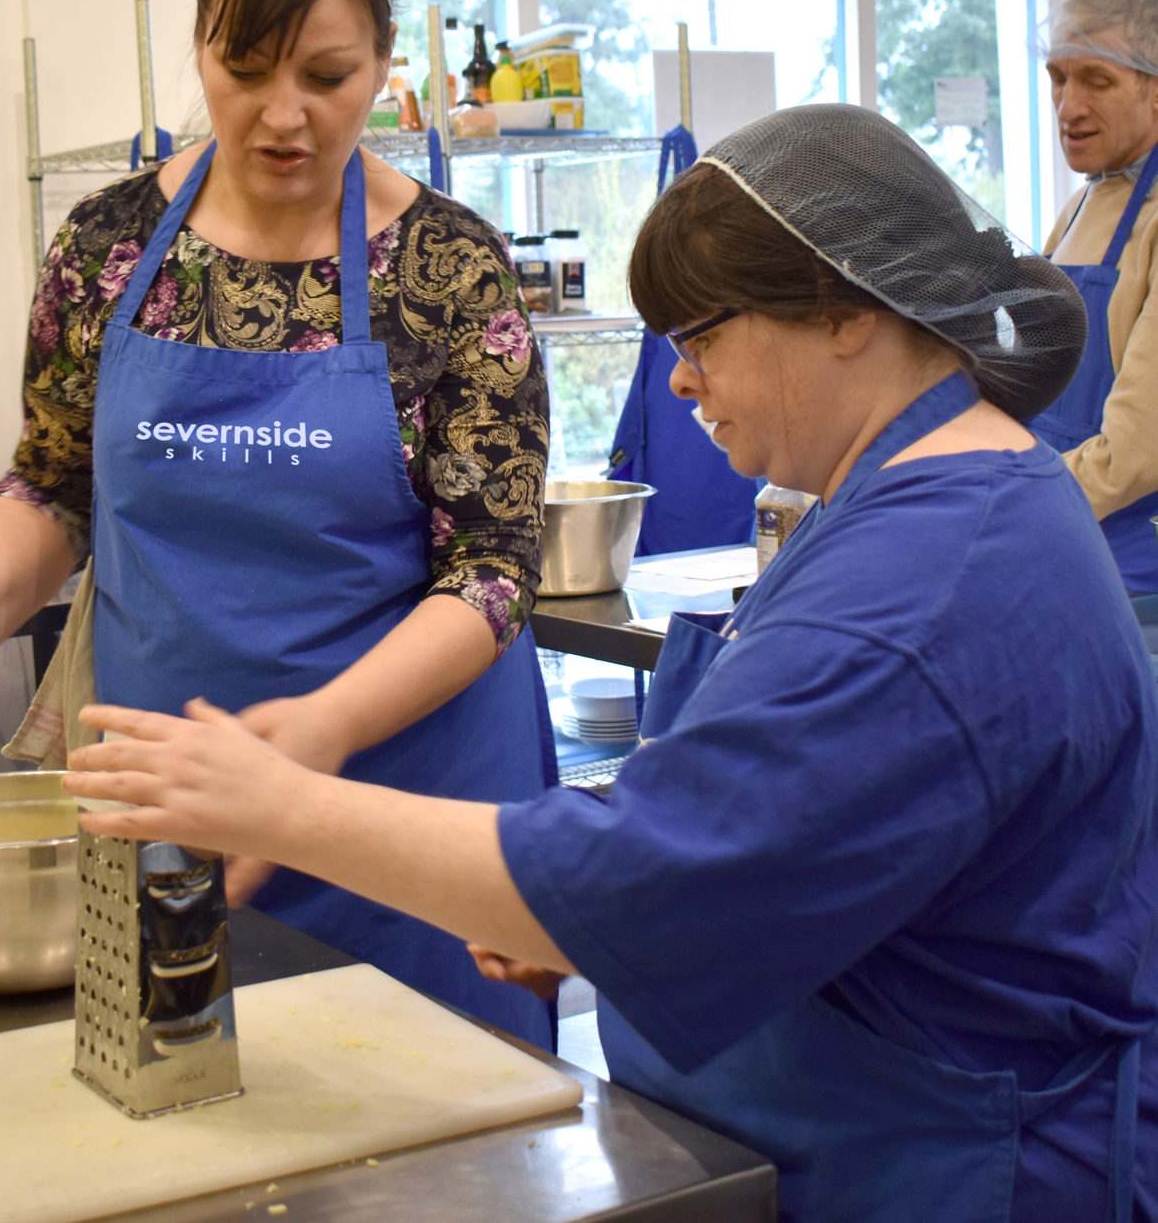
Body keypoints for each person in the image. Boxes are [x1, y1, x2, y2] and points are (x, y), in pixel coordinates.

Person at [62, 105, 1158, 1223]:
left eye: (703, 337)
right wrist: (605, 941)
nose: (678, 385)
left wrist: (282, 806)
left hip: (948, 1172)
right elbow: (805, 844)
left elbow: (661, 869)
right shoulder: (902, 502)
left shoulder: (924, 583)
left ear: (841, 309)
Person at [0, 0, 557, 1047]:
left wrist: (315, 740)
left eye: (329, 76)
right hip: (171, 810)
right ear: (199, 39)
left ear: (386, 61)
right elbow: (55, 484)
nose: (283, 117)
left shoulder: (447, 269)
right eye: (244, 66)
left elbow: (490, 573)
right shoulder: (110, 245)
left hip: (405, 813)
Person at [1037, 0, 1158, 593]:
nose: (1068, 107)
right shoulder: (1082, 207)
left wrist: (1017, 506)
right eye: (1059, 78)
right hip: (1064, 526)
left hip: (1137, 562)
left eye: (1097, 81)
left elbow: (1137, 452)